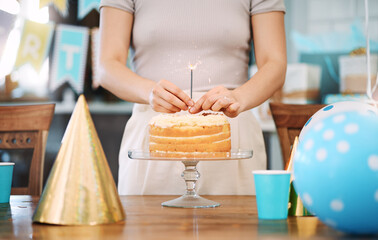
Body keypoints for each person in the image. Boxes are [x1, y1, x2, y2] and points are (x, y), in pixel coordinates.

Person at [98, 0, 287, 195]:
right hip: (154, 135)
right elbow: (107, 66)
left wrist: (237, 97)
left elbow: (275, 64)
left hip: (230, 131)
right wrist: (149, 91)